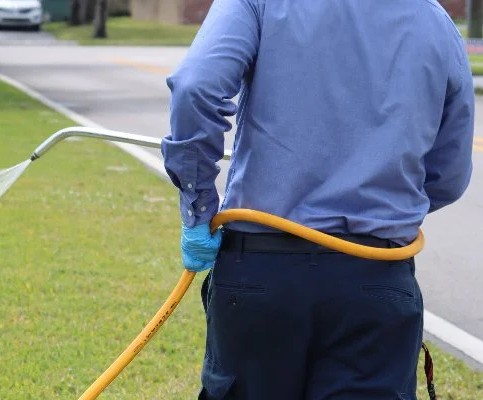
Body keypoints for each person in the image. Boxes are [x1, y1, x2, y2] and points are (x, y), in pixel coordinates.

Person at [160, 0, 475, 399]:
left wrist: (198, 207)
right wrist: (381, 208)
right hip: (374, 280)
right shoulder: (434, 20)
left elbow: (195, 87)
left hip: (261, 274)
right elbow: (448, 174)